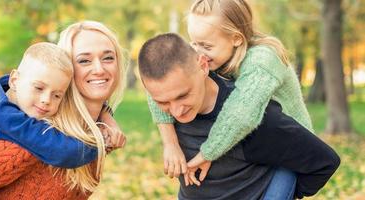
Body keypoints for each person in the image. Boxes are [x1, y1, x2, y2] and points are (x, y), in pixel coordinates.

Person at [0, 21, 127, 200]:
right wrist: (100, 141)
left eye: (108, 57)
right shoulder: (35, 133)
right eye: (84, 60)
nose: (99, 69)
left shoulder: (86, 130)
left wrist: (104, 117)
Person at [138, 33, 340, 199]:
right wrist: (170, 143)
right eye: (163, 102)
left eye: (183, 95)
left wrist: (278, 195)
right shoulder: (168, 94)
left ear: (203, 66)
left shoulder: (248, 117)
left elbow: (324, 162)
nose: (176, 111)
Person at [147, 0, 313, 190]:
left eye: (206, 46)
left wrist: (206, 154)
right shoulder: (215, 55)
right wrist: (170, 144)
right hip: (255, 146)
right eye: (194, 43)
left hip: (287, 152)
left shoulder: (262, 60)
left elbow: (241, 113)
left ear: (236, 38)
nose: (198, 53)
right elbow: (158, 83)